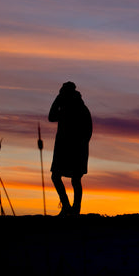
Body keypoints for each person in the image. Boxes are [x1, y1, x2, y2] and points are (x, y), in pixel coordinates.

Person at [48, 81, 92, 216]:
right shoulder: (64, 108)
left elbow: (87, 131)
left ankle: (75, 209)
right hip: (63, 149)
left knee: (75, 179)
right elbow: (51, 117)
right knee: (56, 176)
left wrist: (81, 146)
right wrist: (57, 101)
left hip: (76, 150)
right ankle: (67, 206)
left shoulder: (81, 109)